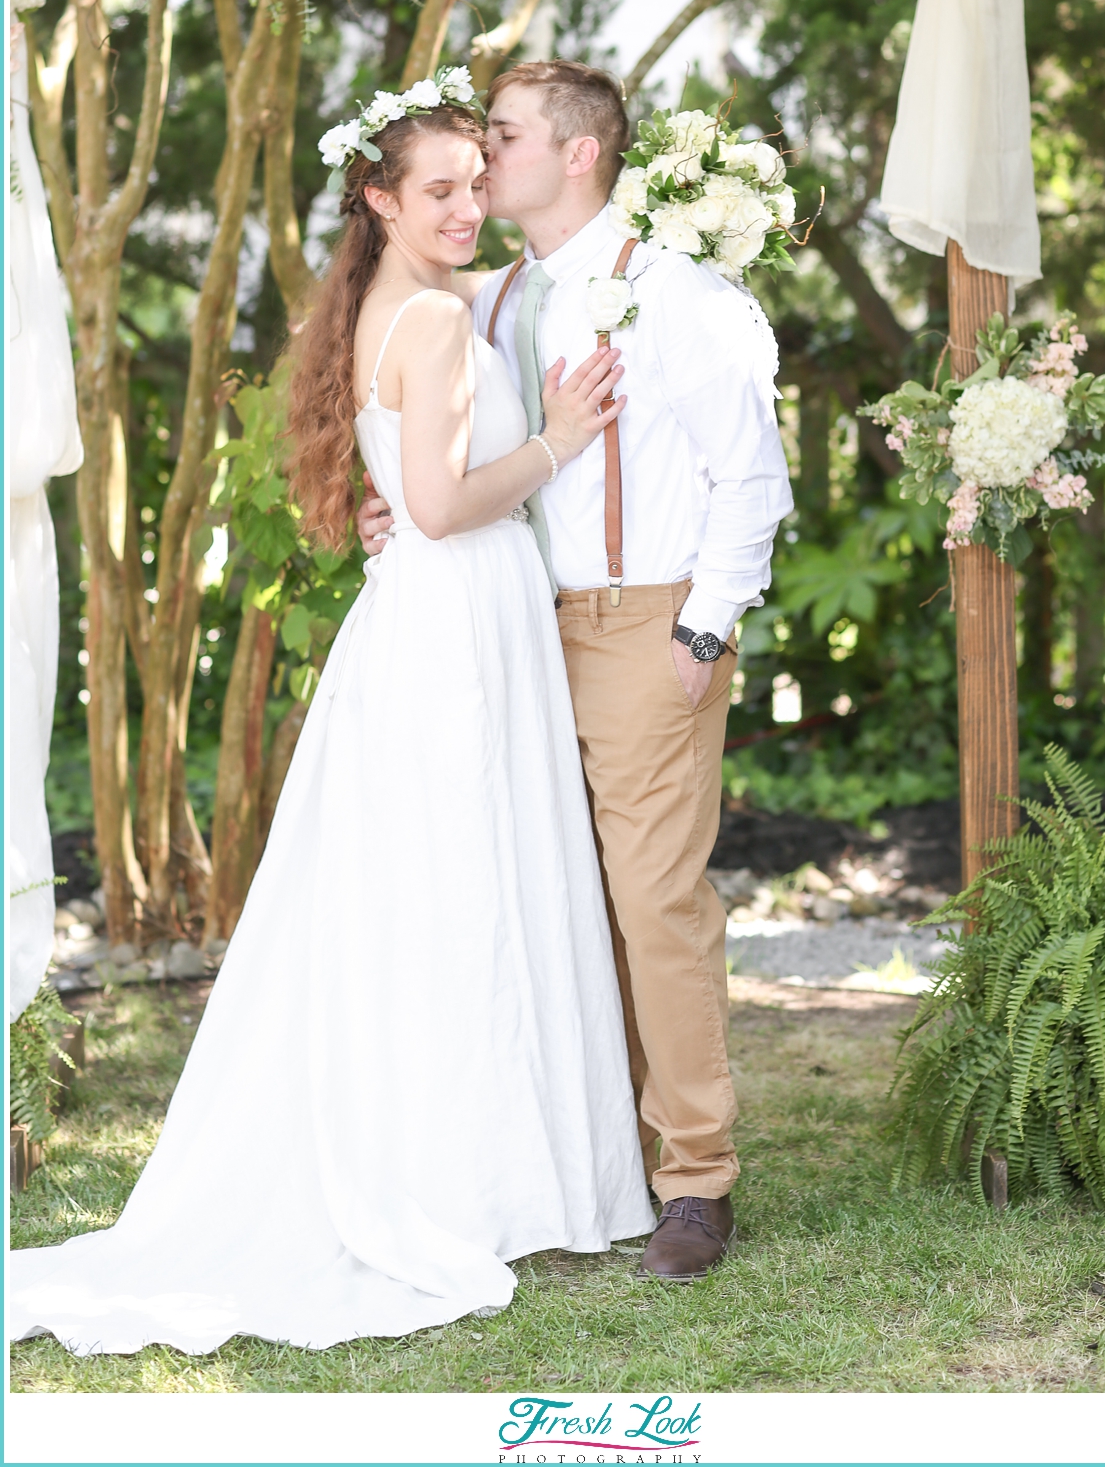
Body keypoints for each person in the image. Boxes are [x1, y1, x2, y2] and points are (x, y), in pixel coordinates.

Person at [10, 88, 656, 1357]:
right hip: (455, 615)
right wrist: (564, 442)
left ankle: (488, 1160)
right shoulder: (424, 317)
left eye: (478, 183)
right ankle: (468, 1176)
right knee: (463, 885)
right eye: (440, 192)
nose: (469, 209)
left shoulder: (403, 306)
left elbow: (399, 498)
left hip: (440, 613)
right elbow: (437, 504)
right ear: (379, 202)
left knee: (445, 885)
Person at [360, 62, 793, 1281]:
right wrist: (399, 512)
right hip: (510, 628)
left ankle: (697, 1178)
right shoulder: (495, 300)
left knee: (655, 903)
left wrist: (701, 635)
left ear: (581, 153)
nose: (483, 160)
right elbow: (458, 454)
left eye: (502, 137)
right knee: (555, 894)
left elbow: (751, 480)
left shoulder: (677, 294)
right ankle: (607, 1152)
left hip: (644, 625)